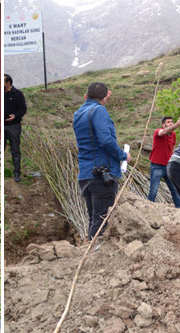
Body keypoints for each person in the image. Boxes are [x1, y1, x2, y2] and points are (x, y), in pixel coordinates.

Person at [73, 82, 129, 240]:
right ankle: (94, 256)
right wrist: (123, 155)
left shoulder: (78, 113)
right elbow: (105, 141)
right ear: (105, 98)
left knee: (94, 218)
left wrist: (101, 98)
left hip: (85, 174)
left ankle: (90, 251)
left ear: (86, 96)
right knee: (102, 221)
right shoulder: (100, 111)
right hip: (102, 175)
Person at [148, 116, 180, 208]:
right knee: (154, 190)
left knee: (174, 189)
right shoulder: (158, 132)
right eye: (168, 122)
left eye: (172, 122)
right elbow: (163, 132)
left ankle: (179, 208)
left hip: (168, 166)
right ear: (163, 125)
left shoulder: (173, 135)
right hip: (157, 166)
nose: (171, 123)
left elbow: (172, 149)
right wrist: (176, 125)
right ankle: (149, 208)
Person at [4, 74, 27, 182]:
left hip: (14, 126)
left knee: (15, 150)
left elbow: (23, 109)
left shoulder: (17, 94)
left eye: (3, 81)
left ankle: (17, 173)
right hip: (2, 126)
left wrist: (15, 116)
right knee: (0, 150)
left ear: (8, 82)